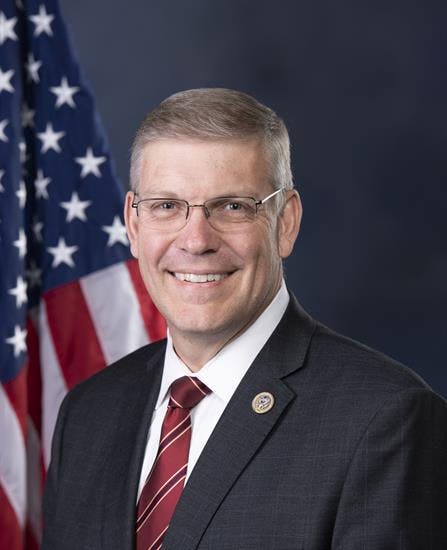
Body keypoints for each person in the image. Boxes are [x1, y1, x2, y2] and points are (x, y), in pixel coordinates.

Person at [42, 88, 447, 550]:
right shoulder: (88, 414)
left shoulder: (385, 420)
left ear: (285, 222)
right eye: (167, 206)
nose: (195, 241)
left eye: (232, 206)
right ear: (133, 226)